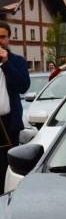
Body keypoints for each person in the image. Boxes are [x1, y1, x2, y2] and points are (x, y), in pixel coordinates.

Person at [0, 21, 31, 171]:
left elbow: (23, 87)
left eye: (2, 37)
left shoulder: (17, 61)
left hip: (9, 123)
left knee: (7, 167)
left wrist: (6, 63)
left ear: (8, 39)